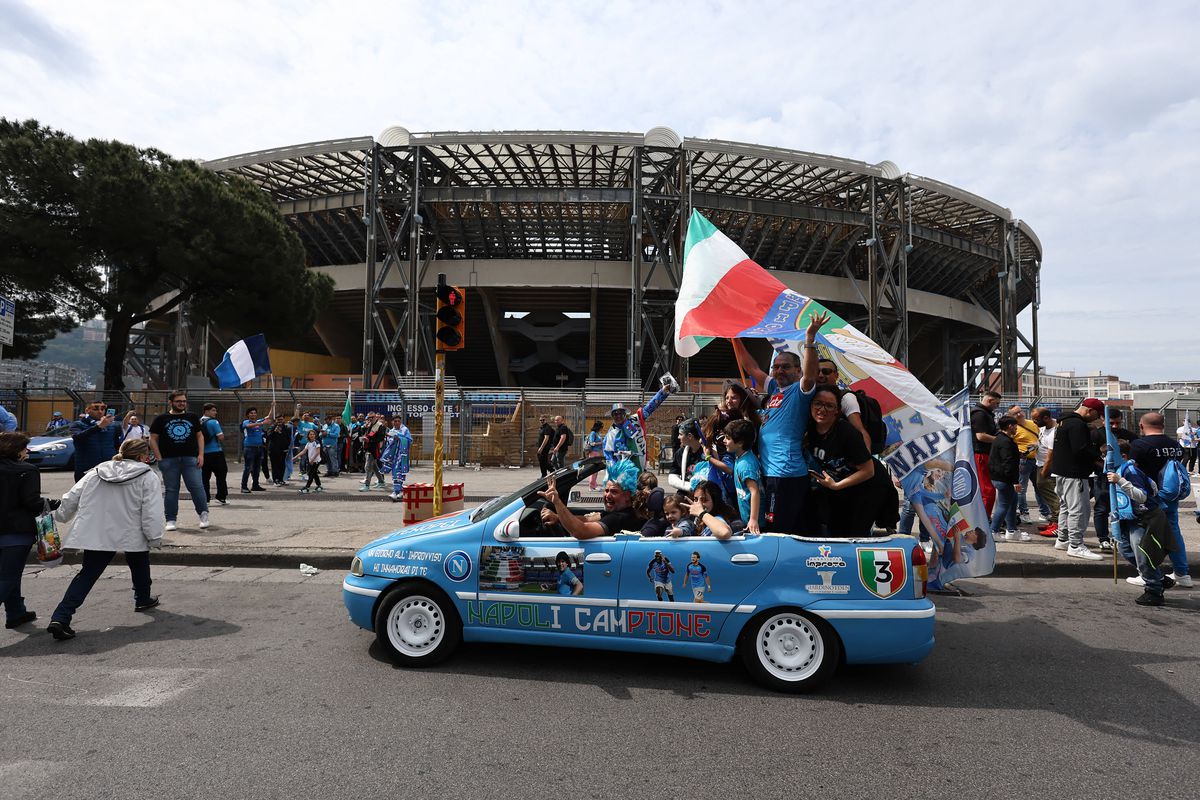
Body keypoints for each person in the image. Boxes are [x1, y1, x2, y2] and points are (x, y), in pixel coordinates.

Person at [45, 438, 165, 641]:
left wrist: (61, 516)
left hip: (98, 532)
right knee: (139, 563)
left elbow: (72, 497)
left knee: (88, 573)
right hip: (131, 531)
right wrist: (154, 537)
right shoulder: (148, 476)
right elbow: (152, 512)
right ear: (143, 456)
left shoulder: (97, 471)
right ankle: (142, 598)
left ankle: (61, 616)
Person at [731, 312, 825, 533]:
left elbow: (811, 375)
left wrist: (810, 340)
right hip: (772, 472)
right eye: (777, 367)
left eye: (786, 367)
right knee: (781, 527)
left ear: (798, 370)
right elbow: (752, 369)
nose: (779, 371)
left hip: (785, 474)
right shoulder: (775, 389)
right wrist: (735, 340)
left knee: (778, 530)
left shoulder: (800, 390)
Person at [0, 431, 59, 630]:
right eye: (25, 448)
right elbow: (32, 502)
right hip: (16, 532)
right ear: (17, 450)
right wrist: (54, 503)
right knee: (8, 577)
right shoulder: (27, 470)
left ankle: (16, 611)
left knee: (10, 574)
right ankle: (16, 611)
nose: (27, 451)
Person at [805, 383, 878, 538]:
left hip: (849, 503)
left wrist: (837, 486)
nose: (822, 409)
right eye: (818, 403)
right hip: (820, 503)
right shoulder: (806, 428)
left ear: (837, 410)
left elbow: (868, 470)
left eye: (829, 406)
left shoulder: (846, 432)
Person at [1131, 412, 1192, 588]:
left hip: (1148, 497)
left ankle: (1147, 574)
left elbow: (1133, 470)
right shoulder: (1175, 445)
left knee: (1145, 536)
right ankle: (1182, 573)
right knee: (1173, 533)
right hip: (1170, 495)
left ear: (1142, 426)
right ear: (1163, 425)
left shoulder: (1139, 445)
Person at [1109, 440, 1173, 606]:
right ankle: (1158, 576)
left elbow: (1142, 496)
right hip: (1127, 518)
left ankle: (1154, 590)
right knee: (1125, 549)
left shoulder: (1130, 471)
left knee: (1143, 554)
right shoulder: (1115, 470)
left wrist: (1120, 481)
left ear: (1121, 456)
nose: (1103, 460)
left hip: (1144, 518)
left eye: (1107, 455)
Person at [1049, 398, 1105, 560]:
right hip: (1074, 473)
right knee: (1079, 510)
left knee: (1066, 507)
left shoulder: (1064, 422)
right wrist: (1099, 459)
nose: (1095, 419)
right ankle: (1075, 545)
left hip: (1061, 471)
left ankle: (1063, 539)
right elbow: (1081, 450)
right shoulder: (1077, 424)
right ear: (1090, 410)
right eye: (1096, 415)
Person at [149, 390, 209, 532]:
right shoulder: (161, 419)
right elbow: (153, 438)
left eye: (183, 401)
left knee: (196, 487)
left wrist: (201, 455)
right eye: (178, 401)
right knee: (171, 490)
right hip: (168, 460)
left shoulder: (192, 417)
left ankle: (203, 514)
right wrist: (159, 458)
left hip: (190, 459)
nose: (182, 403)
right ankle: (170, 519)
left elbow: (200, 436)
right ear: (171, 402)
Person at [538, 461, 643, 540]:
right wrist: (558, 517)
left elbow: (581, 531)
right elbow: (587, 520)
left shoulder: (619, 518)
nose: (608, 495)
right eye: (606, 490)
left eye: (614, 492)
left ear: (627, 496)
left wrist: (557, 502)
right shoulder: (616, 511)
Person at [601, 372, 680, 472]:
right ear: (612, 416)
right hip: (621, 471)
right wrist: (614, 470)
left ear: (625, 414)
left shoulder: (635, 420)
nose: (618, 416)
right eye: (615, 414)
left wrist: (663, 392)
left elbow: (650, 407)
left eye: (621, 413)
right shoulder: (611, 434)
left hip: (639, 466)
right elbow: (608, 455)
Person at [1089, 409, 1137, 552]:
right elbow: (1090, 456)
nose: (1115, 426)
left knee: (1124, 507)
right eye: (1112, 423)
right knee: (1102, 508)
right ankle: (1103, 539)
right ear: (1103, 420)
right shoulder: (1096, 434)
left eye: (1118, 423)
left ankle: (1122, 537)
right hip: (1103, 477)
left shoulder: (1127, 435)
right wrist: (1105, 467)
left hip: (1124, 477)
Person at [989, 416, 1030, 542]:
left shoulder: (1000, 439)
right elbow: (1008, 464)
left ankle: (1012, 530)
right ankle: (993, 531)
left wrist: (1020, 454)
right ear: (1009, 426)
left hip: (999, 477)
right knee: (1004, 505)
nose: (1016, 428)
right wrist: (1015, 482)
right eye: (1014, 425)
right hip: (1005, 479)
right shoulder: (1006, 442)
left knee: (1012, 503)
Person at [725, 419, 764, 535]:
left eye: (728, 438)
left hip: (754, 524)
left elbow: (754, 491)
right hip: (748, 519)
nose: (724, 441)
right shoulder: (741, 457)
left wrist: (753, 520)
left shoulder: (745, 465)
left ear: (740, 443)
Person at [1008, 405, 1043, 524]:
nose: (1019, 414)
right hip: (1023, 460)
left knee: (1040, 487)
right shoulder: (1013, 428)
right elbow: (1010, 444)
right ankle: (1024, 513)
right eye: (1015, 413)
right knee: (1021, 489)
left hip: (1036, 459)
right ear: (1011, 416)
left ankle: (1044, 512)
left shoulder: (1032, 424)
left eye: (1019, 411)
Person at [69, 400, 121, 480]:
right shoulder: (77, 424)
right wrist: (98, 427)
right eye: (96, 409)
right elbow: (78, 437)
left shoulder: (112, 426)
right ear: (87, 410)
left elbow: (116, 444)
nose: (100, 412)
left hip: (108, 468)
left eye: (102, 409)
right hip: (86, 468)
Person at [970, 390, 1001, 516]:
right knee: (987, 490)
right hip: (981, 454)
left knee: (986, 489)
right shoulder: (979, 414)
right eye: (997, 403)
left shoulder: (984, 413)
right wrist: (1000, 440)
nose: (997, 406)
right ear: (989, 400)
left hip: (984, 454)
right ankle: (984, 519)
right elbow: (981, 436)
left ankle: (983, 518)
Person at [1033, 409, 1060, 536]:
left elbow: (1051, 455)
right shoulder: (1044, 429)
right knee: (1044, 490)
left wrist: (1044, 472)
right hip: (1040, 464)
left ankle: (1058, 525)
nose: (1034, 422)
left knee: (1052, 495)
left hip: (1047, 467)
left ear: (1046, 418)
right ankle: (1054, 521)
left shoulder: (1054, 432)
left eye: (1036, 419)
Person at [200, 403, 228, 505]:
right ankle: (221, 497)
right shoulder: (213, 422)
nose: (215, 412)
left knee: (204, 477)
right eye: (213, 410)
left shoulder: (198, 421)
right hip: (216, 453)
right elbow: (221, 437)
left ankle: (205, 499)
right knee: (221, 475)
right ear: (206, 411)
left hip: (203, 453)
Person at [380, 417, 413, 503]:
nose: (397, 423)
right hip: (394, 455)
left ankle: (398, 491)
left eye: (398, 421)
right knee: (395, 473)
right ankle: (398, 491)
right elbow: (388, 442)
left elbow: (409, 440)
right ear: (392, 422)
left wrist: (400, 438)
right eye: (395, 421)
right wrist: (392, 439)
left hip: (402, 455)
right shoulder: (391, 431)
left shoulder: (405, 430)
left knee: (399, 472)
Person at [239, 407, 266, 493]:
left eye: (254, 413)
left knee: (257, 468)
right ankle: (244, 486)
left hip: (259, 448)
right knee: (248, 467)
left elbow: (269, 417)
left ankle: (255, 485)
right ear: (248, 415)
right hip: (249, 448)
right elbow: (248, 426)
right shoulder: (246, 422)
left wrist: (273, 406)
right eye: (251, 413)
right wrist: (261, 423)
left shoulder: (258, 422)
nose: (253, 414)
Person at [359, 413, 388, 491]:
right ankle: (381, 481)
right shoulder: (369, 425)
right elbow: (364, 434)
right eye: (369, 417)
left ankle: (367, 485)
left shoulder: (380, 426)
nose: (370, 419)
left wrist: (369, 440)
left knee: (368, 467)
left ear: (375, 417)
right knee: (374, 467)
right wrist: (364, 428)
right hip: (368, 448)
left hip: (375, 449)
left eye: (371, 417)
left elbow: (381, 438)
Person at [295, 429, 324, 494]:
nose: (312, 435)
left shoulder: (317, 442)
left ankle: (307, 487)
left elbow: (318, 452)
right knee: (314, 474)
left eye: (313, 434)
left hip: (316, 461)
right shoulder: (308, 443)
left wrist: (312, 460)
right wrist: (296, 457)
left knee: (311, 474)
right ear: (308, 435)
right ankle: (319, 485)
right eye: (310, 434)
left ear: (315, 435)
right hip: (311, 461)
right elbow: (304, 451)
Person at [266, 419, 292, 486]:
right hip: (273, 450)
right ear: (276, 420)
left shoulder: (286, 428)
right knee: (275, 465)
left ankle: (281, 480)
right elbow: (268, 436)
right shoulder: (272, 427)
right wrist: (274, 431)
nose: (280, 421)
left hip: (283, 450)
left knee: (282, 465)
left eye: (281, 419)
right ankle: (276, 480)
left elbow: (288, 438)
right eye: (278, 420)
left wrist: (286, 447)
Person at [584, 421, 604, 489]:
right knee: (593, 470)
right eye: (601, 427)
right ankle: (591, 486)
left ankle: (594, 485)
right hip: (593, 452)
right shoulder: (593, 433)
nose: (602, 428)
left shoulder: (598, 433)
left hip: (597, 452)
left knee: (596, 470)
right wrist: (601, 443)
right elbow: (591, 443)